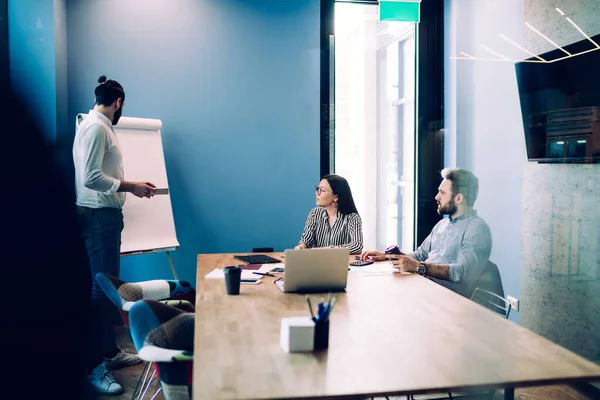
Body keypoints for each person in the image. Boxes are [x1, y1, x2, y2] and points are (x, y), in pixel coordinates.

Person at [73, 75, 157, 395]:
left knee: (108, 289)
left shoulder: (98, 126)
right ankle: (93, 367)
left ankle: (108, 353)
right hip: (98, 218)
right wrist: (131, 186)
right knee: (100, 292)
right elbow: (91, 176)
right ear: (118, 103)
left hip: (105, 218)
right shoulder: (96, 127)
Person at [362, 168, 492, 297]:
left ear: (458, 198)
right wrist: (388, 256)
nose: (436, 197)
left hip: (447, 300)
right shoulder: (442, 224)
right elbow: (420, 255)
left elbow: (463, 272)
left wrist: (419, 267)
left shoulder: (477, 229)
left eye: (442, 193)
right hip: (424, 287)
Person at [296, 174, 363, 254]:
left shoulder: (352, 218)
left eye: (322, 190)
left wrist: (328, 249)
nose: (317, 193)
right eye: (318, 189)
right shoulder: (315, 213)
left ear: (336, 197)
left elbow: (357, 246)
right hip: (317, 263)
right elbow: (306, 240)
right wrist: (301, 247)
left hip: (341, 264)